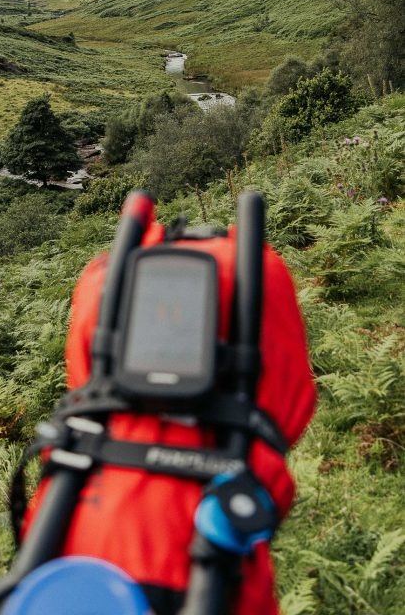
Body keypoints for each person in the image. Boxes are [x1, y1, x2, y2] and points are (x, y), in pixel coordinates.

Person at [22, 216, 317, 615]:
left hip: (71, 550)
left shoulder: (102, 279)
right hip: (218, 557)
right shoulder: (264, 274)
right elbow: (289, 407)